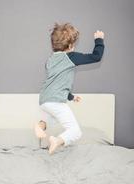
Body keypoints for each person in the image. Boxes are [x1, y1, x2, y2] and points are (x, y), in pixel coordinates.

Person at [35, 23, 105, 155]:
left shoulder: (50, 60)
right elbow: (96, 57)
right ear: (71, 46)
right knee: (75, 131)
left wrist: (71, 97)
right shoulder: (70, 57)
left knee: (51, 118)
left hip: (45, 99)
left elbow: (58, 84)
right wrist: (99, 40)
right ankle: (57, 140)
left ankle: (40, 126)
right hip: (55, 100)